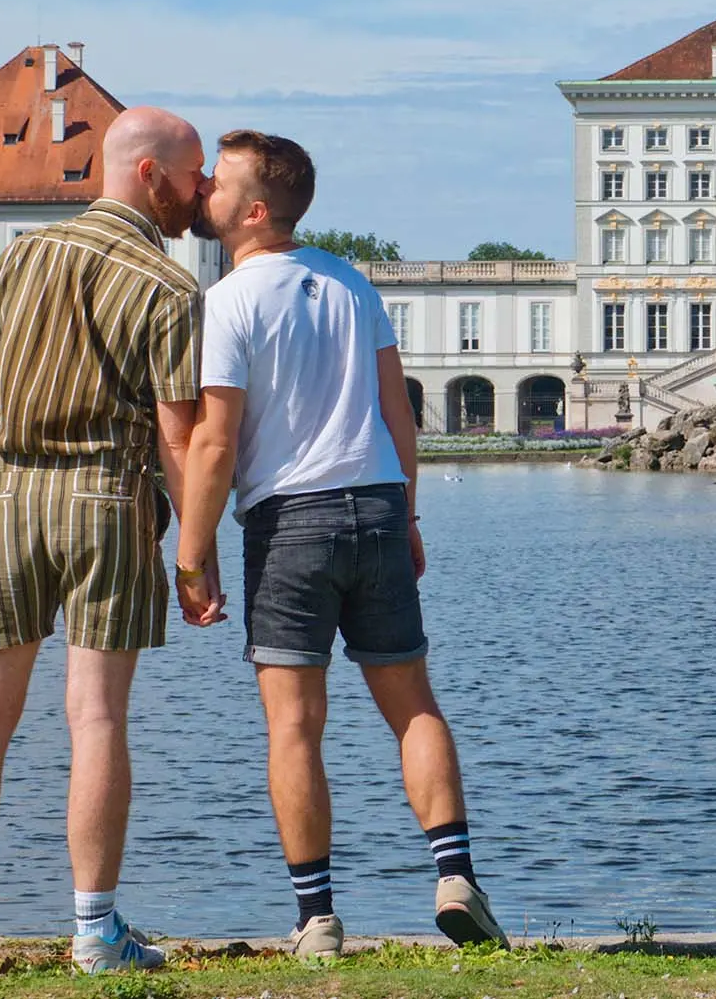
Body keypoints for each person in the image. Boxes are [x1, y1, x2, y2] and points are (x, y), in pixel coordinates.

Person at [177, 131, 507, 961]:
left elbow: (215, 444)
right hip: (377, 505)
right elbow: (400, 414)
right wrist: (409, 515)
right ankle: (456, 877)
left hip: (289, 524)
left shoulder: (230, 301)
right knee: (413, 704)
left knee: (294, 726)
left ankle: (317, 918)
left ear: (253, 211)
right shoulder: (351, 281)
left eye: (219, 182)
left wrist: (190, 550)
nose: (205, 189)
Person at [0, 108, 206, 979]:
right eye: (190, 176)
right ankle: (94, 932)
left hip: (8, 499)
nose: (199, 194)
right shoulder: (167, 285)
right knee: (98, 716)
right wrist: (194, 553)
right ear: (151, 175)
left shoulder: (24, 253)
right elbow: (180, 439)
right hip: (108, 502)